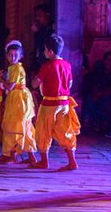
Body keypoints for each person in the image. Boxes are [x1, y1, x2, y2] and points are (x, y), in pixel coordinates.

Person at [31, 34, 80, 170]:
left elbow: (35, 84)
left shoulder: (46, 66)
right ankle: (72, 162)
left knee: (43, 130)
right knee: (64, 131)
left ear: (50, 51)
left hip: (49, 104)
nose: (44, 52)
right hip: (64, 104)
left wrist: (34, 79)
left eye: (45, 49)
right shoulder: (67, 65)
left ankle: (44, 162)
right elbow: (70, 83)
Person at [0, 41, 38, 164]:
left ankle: (30, 157)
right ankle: (13, 154)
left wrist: (0, 79)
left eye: (16, 55)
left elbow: (10, 86)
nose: (13, 57)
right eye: (10, 54)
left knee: (21, 126)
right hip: (15, 99)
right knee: (14, 126)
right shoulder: (12, 68)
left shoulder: (17, 68)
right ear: (6, 55)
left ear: (21, 56)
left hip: (19, 100)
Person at [31, 4, 54, 74]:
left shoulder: (51, 29)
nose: (37, 18)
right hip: (39, 64)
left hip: (47, 63)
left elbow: (42, 46)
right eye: (36, 16)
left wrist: (37, 33)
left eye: (39, 15)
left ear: (47, 14)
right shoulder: (40, 28)